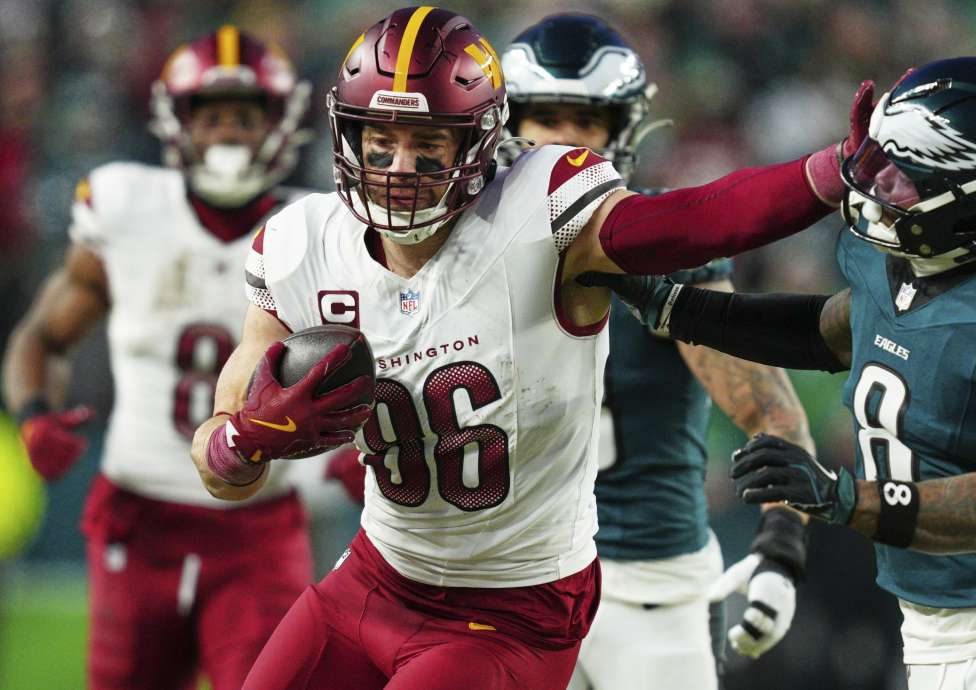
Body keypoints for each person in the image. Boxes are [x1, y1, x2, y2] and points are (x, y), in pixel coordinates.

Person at [189, 6, 885, 689]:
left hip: (524, 601)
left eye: (429, 142)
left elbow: (693, 225)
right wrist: (244, 440)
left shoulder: (547, 211)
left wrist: (823, 176)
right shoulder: (301, 245)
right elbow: (220, 460)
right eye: (381, 138)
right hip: (381, 573)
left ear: (479, 142)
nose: (400, 165)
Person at [583, 57, 976, 690]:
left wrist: (842, 496)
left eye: (911, 173)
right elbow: (823, 330)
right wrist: (675, 306)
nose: (883, 183)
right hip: (930, 629)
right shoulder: (901, 271)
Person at [501, 14, 815, 689]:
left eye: (585, 122)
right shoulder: (459, 249)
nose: (563, 140)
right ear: (506, 123)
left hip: (647, 590)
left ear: (620, 133)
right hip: (504, 584)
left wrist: (780, 548)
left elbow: (773, 414)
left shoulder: (666, 250)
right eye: (545, 117)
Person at [2, 27, 314, 690]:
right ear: (176, 121)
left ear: (280, 124)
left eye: (245, 115)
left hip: (257, 523)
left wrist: (350, 456)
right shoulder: (126, 206)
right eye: (212, 115)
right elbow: (43, 337)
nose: (228, 132)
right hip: (140, 517)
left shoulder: (318, 228)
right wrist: (34, 413)